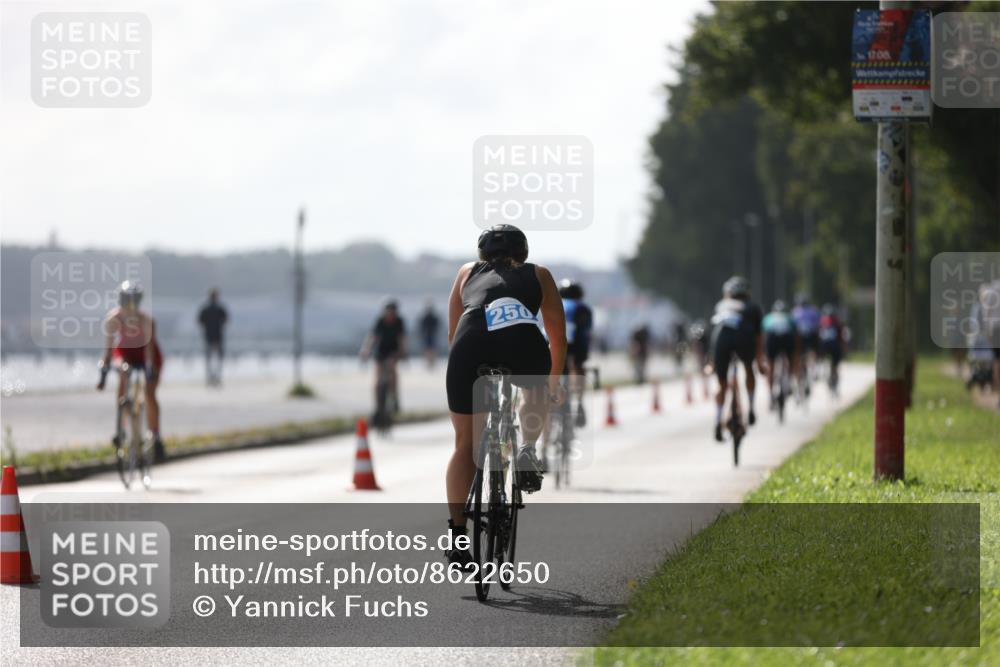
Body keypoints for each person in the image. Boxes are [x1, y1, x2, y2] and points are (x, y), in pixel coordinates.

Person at [444, 224, 566, 567]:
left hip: (470, 345)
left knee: (465, 446)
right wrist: (551, 385)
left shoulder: (466, 272)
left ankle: (458, 537)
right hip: (522, 343)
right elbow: (557, 338)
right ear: (523, 253)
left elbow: (453, 333)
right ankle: (527, 450)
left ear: (482, 254)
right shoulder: (539, 274)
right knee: (535, 385)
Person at [96, 280, 166, 462]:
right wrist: (103, 371)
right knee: (123, 376)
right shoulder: (112, 320)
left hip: (146, 353)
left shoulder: (146, 320)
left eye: (133, 302)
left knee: (149, 394)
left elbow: (149, 350)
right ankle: (121, 427)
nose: (129, 307)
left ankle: (156, 435)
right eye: (126, 301)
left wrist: (150, 369)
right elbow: (108, 351)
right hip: (126, 352)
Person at [709, 276, 765, 442]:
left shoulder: (721, 305)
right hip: (744, 339)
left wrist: (712, 361)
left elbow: (715, 333)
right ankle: (751, 408)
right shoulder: (753, 307)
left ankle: (718, 421)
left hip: (721, 341)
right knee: (748, 369)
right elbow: (759, 336)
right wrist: (759, 361)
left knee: (721, 384)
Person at [361, 301, 407, 425]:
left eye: (392, 313)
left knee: (392, 370)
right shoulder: (380, 321)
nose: (390, 315)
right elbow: (372, 337)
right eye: (388, 312)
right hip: (381, 351)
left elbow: (402, 339)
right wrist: (366, 350)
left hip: (393, 351)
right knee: (377, 380)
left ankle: (394, 397)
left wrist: (403, 353)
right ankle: (377, 407)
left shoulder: (399, 322)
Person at [559, 278, 593, 421]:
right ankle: (579, 401)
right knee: (579, 367)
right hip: (577, 343)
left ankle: (555, 396)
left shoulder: (556, 304)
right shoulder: (583, 307)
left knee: (556, 370)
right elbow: (586, 331)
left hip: (556, 340)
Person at [762, 299, 799, 408]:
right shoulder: (789, 318)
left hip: (772, 339)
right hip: (787, 338)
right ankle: (789, 381)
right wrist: (796, 353)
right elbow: (796, 335)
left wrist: (764, 353)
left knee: (771, 366)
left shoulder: (768, 318)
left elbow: (763, 334)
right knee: (791, 359)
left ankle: (770, 395)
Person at [197, 288, 228, 386]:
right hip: (217, 336)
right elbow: (226, 320)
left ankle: (211, 378)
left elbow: (200, 321)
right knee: (217, 359)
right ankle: (216, 377)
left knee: (210, 359)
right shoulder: (219, 309)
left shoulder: (206, 309)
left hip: (209, 336)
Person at [792, 294, 821, 393]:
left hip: (799, 337)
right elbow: (818, 325)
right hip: (810, 335)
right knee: (812, 352)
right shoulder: (813, 310)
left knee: (798, 355)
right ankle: (814, 368)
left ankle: (799, 373)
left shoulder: (795, 311)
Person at [818, 303, 846, 396]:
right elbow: (841, 338)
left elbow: (819, 336)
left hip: (824, 346)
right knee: (835, 366)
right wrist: (844, 350)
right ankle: (835, 381)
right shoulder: (837, 323)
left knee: (824, 359)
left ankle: (822, 370)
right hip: (835, 347)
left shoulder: (822, 321)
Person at [418, 300, 442, 369]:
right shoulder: (428, 317)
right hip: (429, 335)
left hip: (431, 335)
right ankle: (430, 362)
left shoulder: (428, 317)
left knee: (430, 349)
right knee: (429, 349)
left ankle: (431, 362)